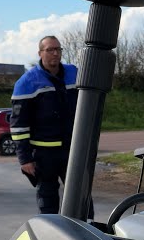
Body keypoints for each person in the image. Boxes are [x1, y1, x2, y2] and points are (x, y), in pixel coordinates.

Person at [10, 35, 94, 220]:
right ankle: (52, 237)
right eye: (50, 50)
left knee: (82, 198)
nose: (55, 53)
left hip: (74, 150)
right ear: (40, 53)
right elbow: (18, 126)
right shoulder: (26, 83)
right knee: (48, 203)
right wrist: (24, 159)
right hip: (44, 155)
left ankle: (90, 234)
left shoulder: (75, 73)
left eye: (58, 49)